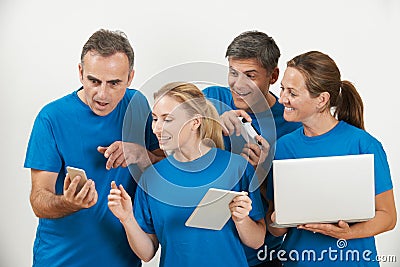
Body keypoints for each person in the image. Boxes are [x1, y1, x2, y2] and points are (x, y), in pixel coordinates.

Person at [24, 29, 162, 267]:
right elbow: (38, 199)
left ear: (130, 78)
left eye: (114, 83)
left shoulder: (137, 104)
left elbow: (165, 163)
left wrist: (142, 154)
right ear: (80, 73)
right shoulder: (51, 118)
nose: (102, 94)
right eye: (94, 81)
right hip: (60, 259)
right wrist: (68, 202)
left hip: (123, 259)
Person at [108, 82, 266, 266]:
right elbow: (147, 253)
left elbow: (257, 241)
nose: (157, 128)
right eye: (155, 119)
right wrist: (127, 219)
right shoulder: (151, 178)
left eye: (167, 119)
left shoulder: (237, 168)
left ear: (195, 122)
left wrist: (241, 219)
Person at [267, 51, 397, 266]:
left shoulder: (363, 144)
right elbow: (275, 227)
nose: (282, 99)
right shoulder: (283, 147)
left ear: (322, 100)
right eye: (282, 89)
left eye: (292, 92)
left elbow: (388, 217)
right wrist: (276, 220)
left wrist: (348, 233)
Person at [203, 30, 301, 267]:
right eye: (233, 73)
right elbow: (172, 131)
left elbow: (289, 204)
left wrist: (262, 172)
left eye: (250, 75)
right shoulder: (212, 98)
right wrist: (212, 121)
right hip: (210, 248)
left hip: (262, 254)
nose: (238, 84)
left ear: (273, 76)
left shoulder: (291, 124)